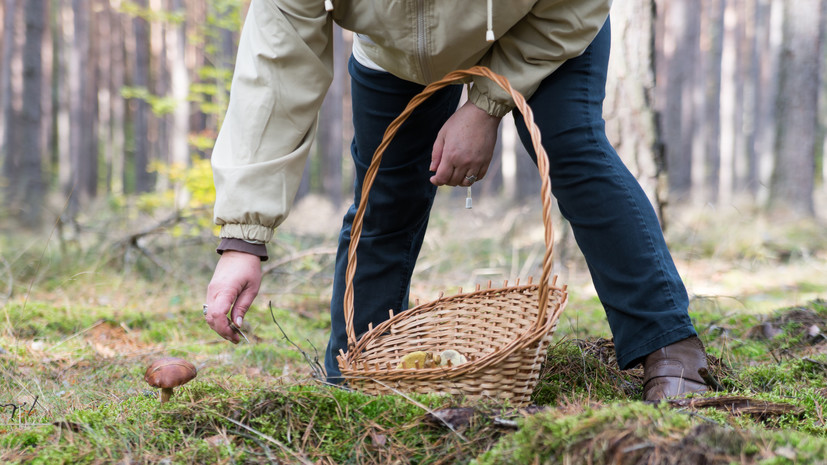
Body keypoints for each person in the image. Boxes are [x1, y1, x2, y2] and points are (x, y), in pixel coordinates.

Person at [203, 0, 710, 401]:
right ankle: (356, 377)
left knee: (571, 150)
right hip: (395, 54)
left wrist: (486, 108)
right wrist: (243, 239)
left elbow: (572, 6)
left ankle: (670, 346)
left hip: (540, 26)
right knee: (384, 203)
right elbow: (274, 72)